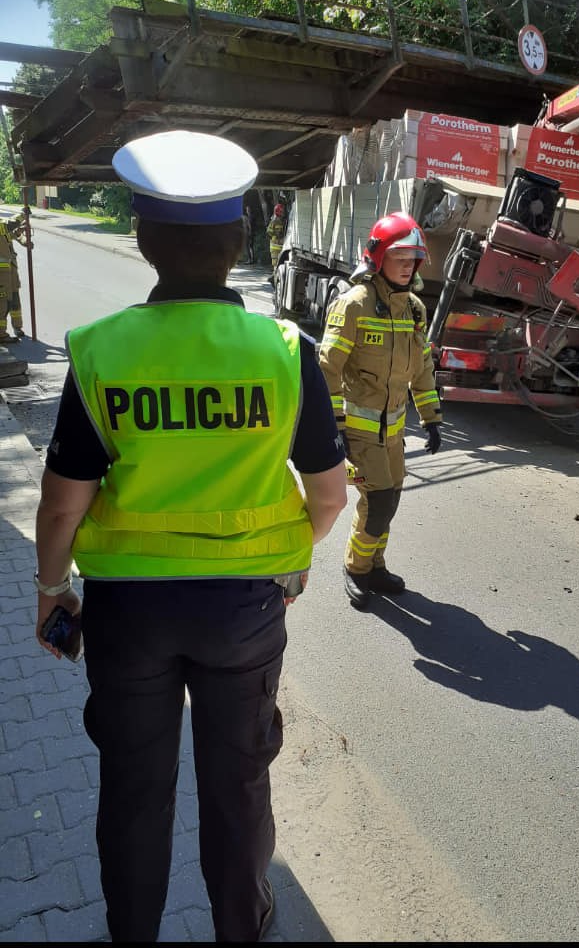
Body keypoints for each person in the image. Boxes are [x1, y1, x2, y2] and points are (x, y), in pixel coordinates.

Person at [33, 129, 347, 942]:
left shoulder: (103, 351)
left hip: (128, 620)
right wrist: (289, 563)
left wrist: (51, 591)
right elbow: (331, 493)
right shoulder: (284, 352)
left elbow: (63, 505)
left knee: (134, 791)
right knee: (237, 789)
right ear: (240, 240)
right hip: (244, 614)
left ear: (142, 241)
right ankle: (243, 927)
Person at [318, 211, 443, 608]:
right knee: (379, 501)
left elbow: (421, 366)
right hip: (358, 428)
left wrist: (431, 417)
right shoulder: (353, 306)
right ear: (377, 257)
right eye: (399, 258)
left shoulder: (415, 310)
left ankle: (375, 565)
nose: (408, 267)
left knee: (392, 498)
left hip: (394, 431)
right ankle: (356, 568)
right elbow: (326, 371)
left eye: (413, 260)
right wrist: (334, 427)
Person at [0, 213, 29, 341]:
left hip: (11, 270)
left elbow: (12, 235)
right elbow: (9, 225)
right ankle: (1, 334)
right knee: (3, 302)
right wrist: (23, 214)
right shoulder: (2, 225)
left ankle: (17, 327)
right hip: (1, 274)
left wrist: (23, 237)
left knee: (14, 299)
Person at [266, 202, 285, 283]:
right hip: (277, 246)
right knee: (277, 264)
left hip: (273, 245)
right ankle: (274, 279)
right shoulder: (278, 221)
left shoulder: (273, 219)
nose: (283, 212)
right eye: (282, 211)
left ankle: (273, 277)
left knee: (275, 264)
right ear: (279, 212)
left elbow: (269, 232)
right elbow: (279, 234)